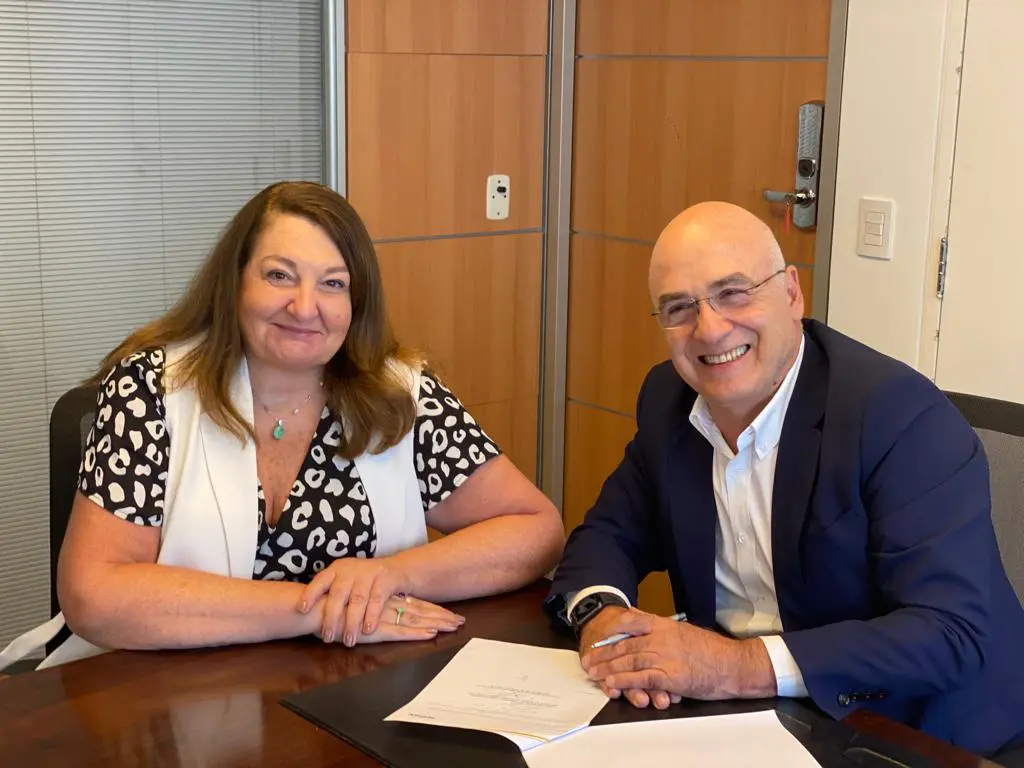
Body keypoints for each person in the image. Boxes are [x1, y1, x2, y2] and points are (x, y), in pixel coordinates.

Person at [1, 180, 563, 671]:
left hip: (353, 690)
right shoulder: (150, 390)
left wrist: (391, 575)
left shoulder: (400, 394)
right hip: (163, 692)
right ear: (236, 282)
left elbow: (535, 531)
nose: (304, 306)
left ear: (356, 303)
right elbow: (94, 594)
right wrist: (318, 609)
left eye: (333, 284)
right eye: (279, 275)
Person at [544, 201, 1024, 758]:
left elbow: (948, 634)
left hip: (915, 733)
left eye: (734, 292)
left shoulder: (899, 416)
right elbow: (607, 535)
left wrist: (733, 665)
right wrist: (604, 620)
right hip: (745, 723)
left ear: (792, 293)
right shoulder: (669, 400)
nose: (711, 328)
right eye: (679, 308)